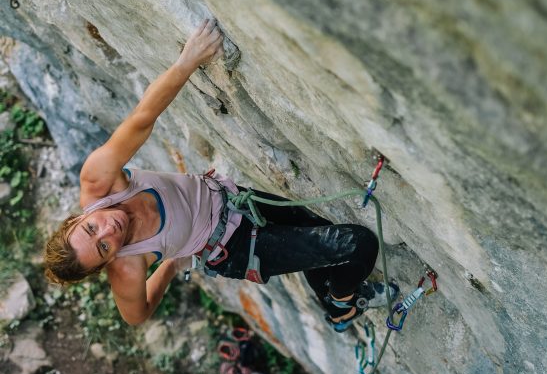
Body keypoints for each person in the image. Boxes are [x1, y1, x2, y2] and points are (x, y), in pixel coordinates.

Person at [43, 19, 396, 331]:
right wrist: (169, 265)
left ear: (78, 218)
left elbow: (141, 120)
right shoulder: (128, 269)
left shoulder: (99, 182)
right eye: (104, 247)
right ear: (107, 262)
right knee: (360, 244)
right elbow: (136, 316)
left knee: (312, 232)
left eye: (91, 228)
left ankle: (331, 300)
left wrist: (188, 61)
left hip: (234, 199)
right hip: (236, 249)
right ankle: (343, 304)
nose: (109, 230)